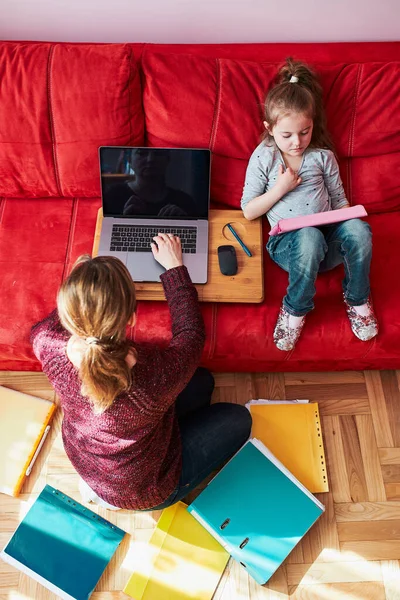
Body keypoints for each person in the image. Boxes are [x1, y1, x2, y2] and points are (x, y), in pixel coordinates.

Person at [30, 234, 251, 511]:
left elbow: (61, 320)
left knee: (203, 382)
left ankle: (99, 488)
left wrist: (85, 287)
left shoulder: (46, 342)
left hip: (91, 458)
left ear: (67, 314)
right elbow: (191, 336)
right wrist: (174, 269)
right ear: (132, 318)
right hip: (145, 488)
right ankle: (109, 497)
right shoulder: (154, 378)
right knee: (240, 418)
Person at [241, 58, 378, 351]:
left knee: (359, 230)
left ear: (313, 124)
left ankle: (357, 298)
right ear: (269, 128)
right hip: (289, 248)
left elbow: (339, 201)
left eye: (304, 132)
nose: (296, 142)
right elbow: (249, 210)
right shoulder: (264, 156)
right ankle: (295, 309)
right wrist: (280, 188)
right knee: (308, 236)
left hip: (328, 241)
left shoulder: (322, 157)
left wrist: (349, 217)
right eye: (286, 135)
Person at [104, 148, 194, 217]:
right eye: (141, 153)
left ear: (168, 160)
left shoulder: (184, 201)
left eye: (158, 153)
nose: (150, 159)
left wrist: (185, 220)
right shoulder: (113, 196)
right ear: (129, 161)